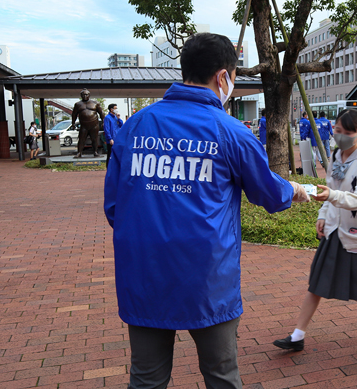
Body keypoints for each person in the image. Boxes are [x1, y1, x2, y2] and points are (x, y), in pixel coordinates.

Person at [104, 32, 310, 389]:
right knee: (221, 376)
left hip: (144, 272)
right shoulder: (230, 131)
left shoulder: (136, 125)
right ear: (223, 77)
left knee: (146, 378)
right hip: (207, 277)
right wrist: (294, 189)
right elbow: (270, 194)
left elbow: (113, 206)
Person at [273, 109, 357, 352]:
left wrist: (331, 196)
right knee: (317, 282)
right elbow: (329, 187)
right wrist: (323, 215)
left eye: (347, 132)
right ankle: (297, 335)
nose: (341, 136)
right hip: (334, 228)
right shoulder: (335, 154)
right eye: (338, 131)